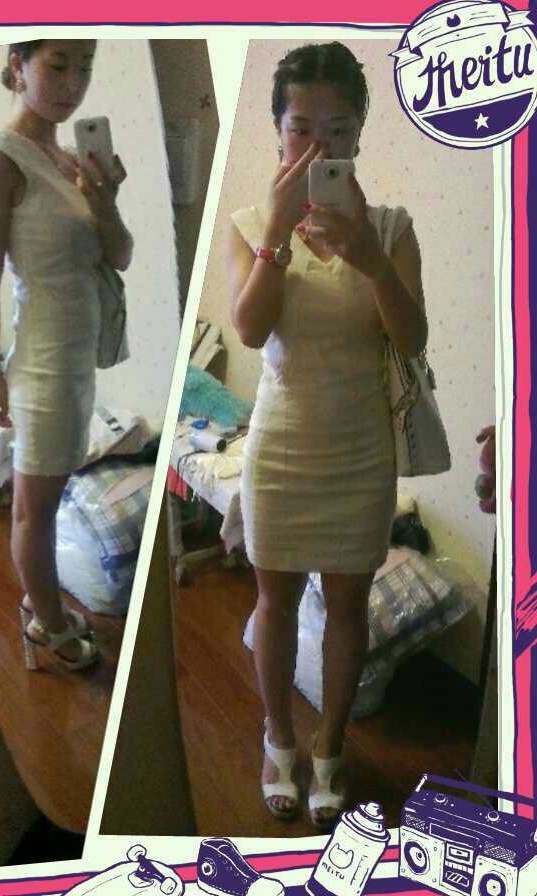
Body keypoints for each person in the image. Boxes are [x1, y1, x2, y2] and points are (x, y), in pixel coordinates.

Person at [226, 42, 427, 829]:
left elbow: (410, 341)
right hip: (279, 446)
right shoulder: (248, 224)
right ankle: (279, 739)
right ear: (277, 131)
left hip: (360, 451)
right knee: (274, 603)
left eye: (338, 129)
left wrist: (374, 262)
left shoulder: (393, 229)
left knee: (348, 607)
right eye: (301, 127)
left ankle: (331, 747)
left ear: (360, 134)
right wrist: (277, 234)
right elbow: (250, 331)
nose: (318, 146)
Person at [0, 39, 133, 671]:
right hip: (41, 363)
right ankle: (46, 626)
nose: (73, 82)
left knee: (48, 494)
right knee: (33, 511)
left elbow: (119, 256)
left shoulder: (69, 159)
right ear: (18, 65)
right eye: (58, 64)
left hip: (76, 361)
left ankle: (41, 607)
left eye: (85, 66)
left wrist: (105, 201)